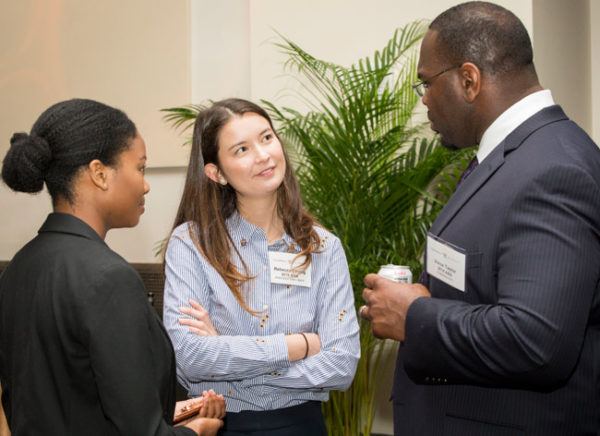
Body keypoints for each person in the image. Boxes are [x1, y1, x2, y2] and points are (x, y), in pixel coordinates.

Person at [360, 2, 600, 435]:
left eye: (426, 85)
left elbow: (535, 341)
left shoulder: (552, 169)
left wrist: (413, 316)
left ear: (469, 80)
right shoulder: (517, 157)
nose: (425, 101)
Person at [0, 99, 225, 435]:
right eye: (140, 168)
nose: (146, 184)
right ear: (99, 173)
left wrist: (167, 411)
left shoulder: (20, 266)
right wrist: (200, 430)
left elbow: (69, 399)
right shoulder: (109, 278)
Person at [163, 98, 360, 435]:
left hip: (301, 426)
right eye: (241, 149)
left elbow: (341, 365)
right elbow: (190, 358)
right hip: (220, 427)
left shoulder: (323, 247)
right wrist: (298, 346)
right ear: (217, 173)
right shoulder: (192, 244)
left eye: (267, 138)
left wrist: (228, 359)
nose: (263, 155)